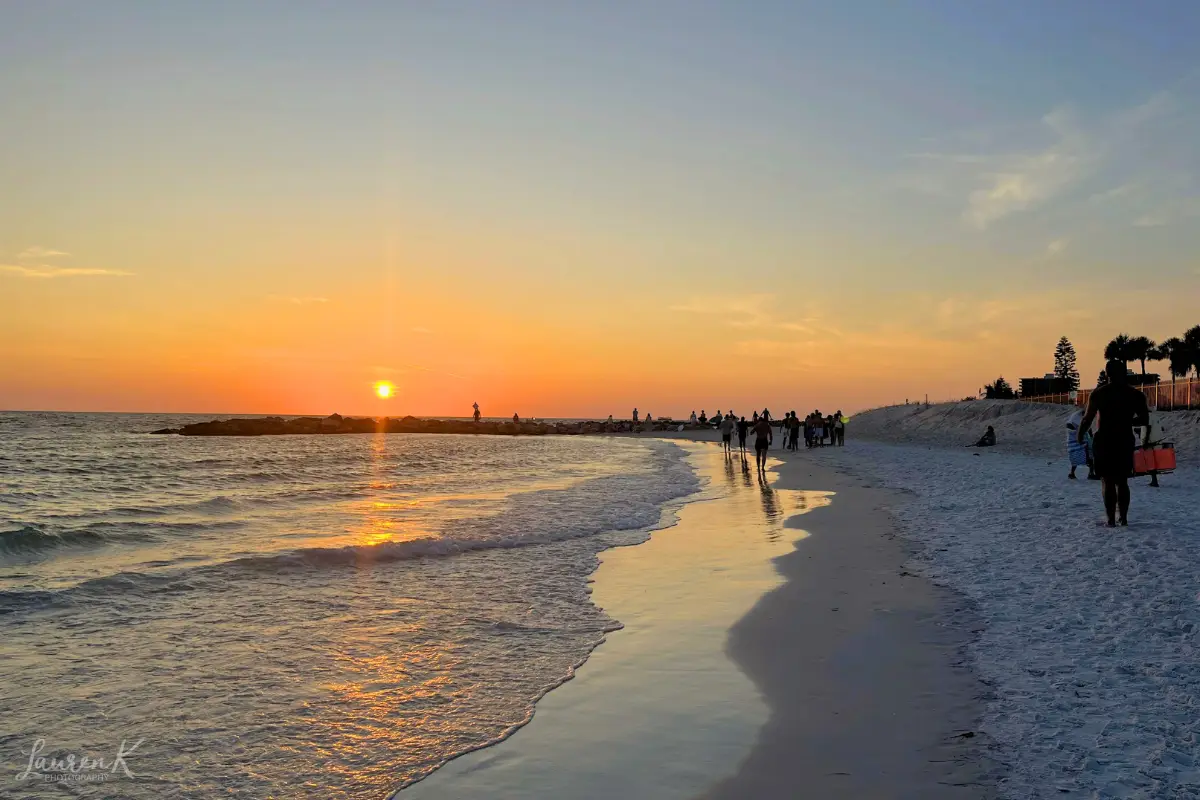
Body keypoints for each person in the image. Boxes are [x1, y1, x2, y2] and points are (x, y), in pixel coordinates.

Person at [1079, 359, 1150, 527]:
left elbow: (1087, 419)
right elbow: (1144, 419)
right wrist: (1126, 421)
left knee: (1107, 480)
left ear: (1107, 373)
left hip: (1104, 439)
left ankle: (1111, 519)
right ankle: (1123, 518)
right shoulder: (1135, 395)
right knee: (1122, 481)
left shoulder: (1099, 393)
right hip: (1124, 439)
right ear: (1124, 372)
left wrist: (1080, 435)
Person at [1066, 409, 1092, 480]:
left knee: (1076, 454)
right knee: (1089, 452)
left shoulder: (1078, 415)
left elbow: (1087, 427)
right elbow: (1087, 428)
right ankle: (1091, 473)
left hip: (1072, 436)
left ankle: (1072, 473)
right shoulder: (1081, 416)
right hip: (1075, 434)